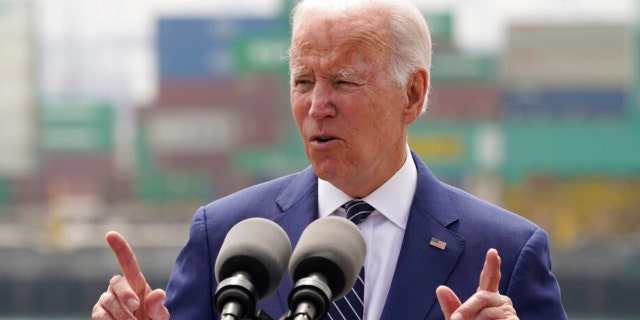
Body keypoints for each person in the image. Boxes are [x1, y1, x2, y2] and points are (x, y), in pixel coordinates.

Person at [92, 0, 567, 319]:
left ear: (413, 94)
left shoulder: (509, 253)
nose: (318, 106)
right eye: (303, 82)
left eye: (343, 83)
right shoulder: (222, 235)